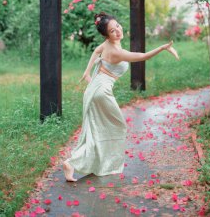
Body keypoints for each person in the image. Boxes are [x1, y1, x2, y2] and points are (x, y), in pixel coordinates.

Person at [63, 11, 179, 181]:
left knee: (98, 129)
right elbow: (142, 56)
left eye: (117, 26)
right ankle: (77, 162)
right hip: (101, 91)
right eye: (112, 31)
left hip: (95, 88)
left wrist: (87, 72)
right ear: (107, 35)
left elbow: (96, 51)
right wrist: (162, 48)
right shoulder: (117, 52)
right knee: (117, 126)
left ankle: (75, 163)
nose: (117, 31)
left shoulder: (108, 45)